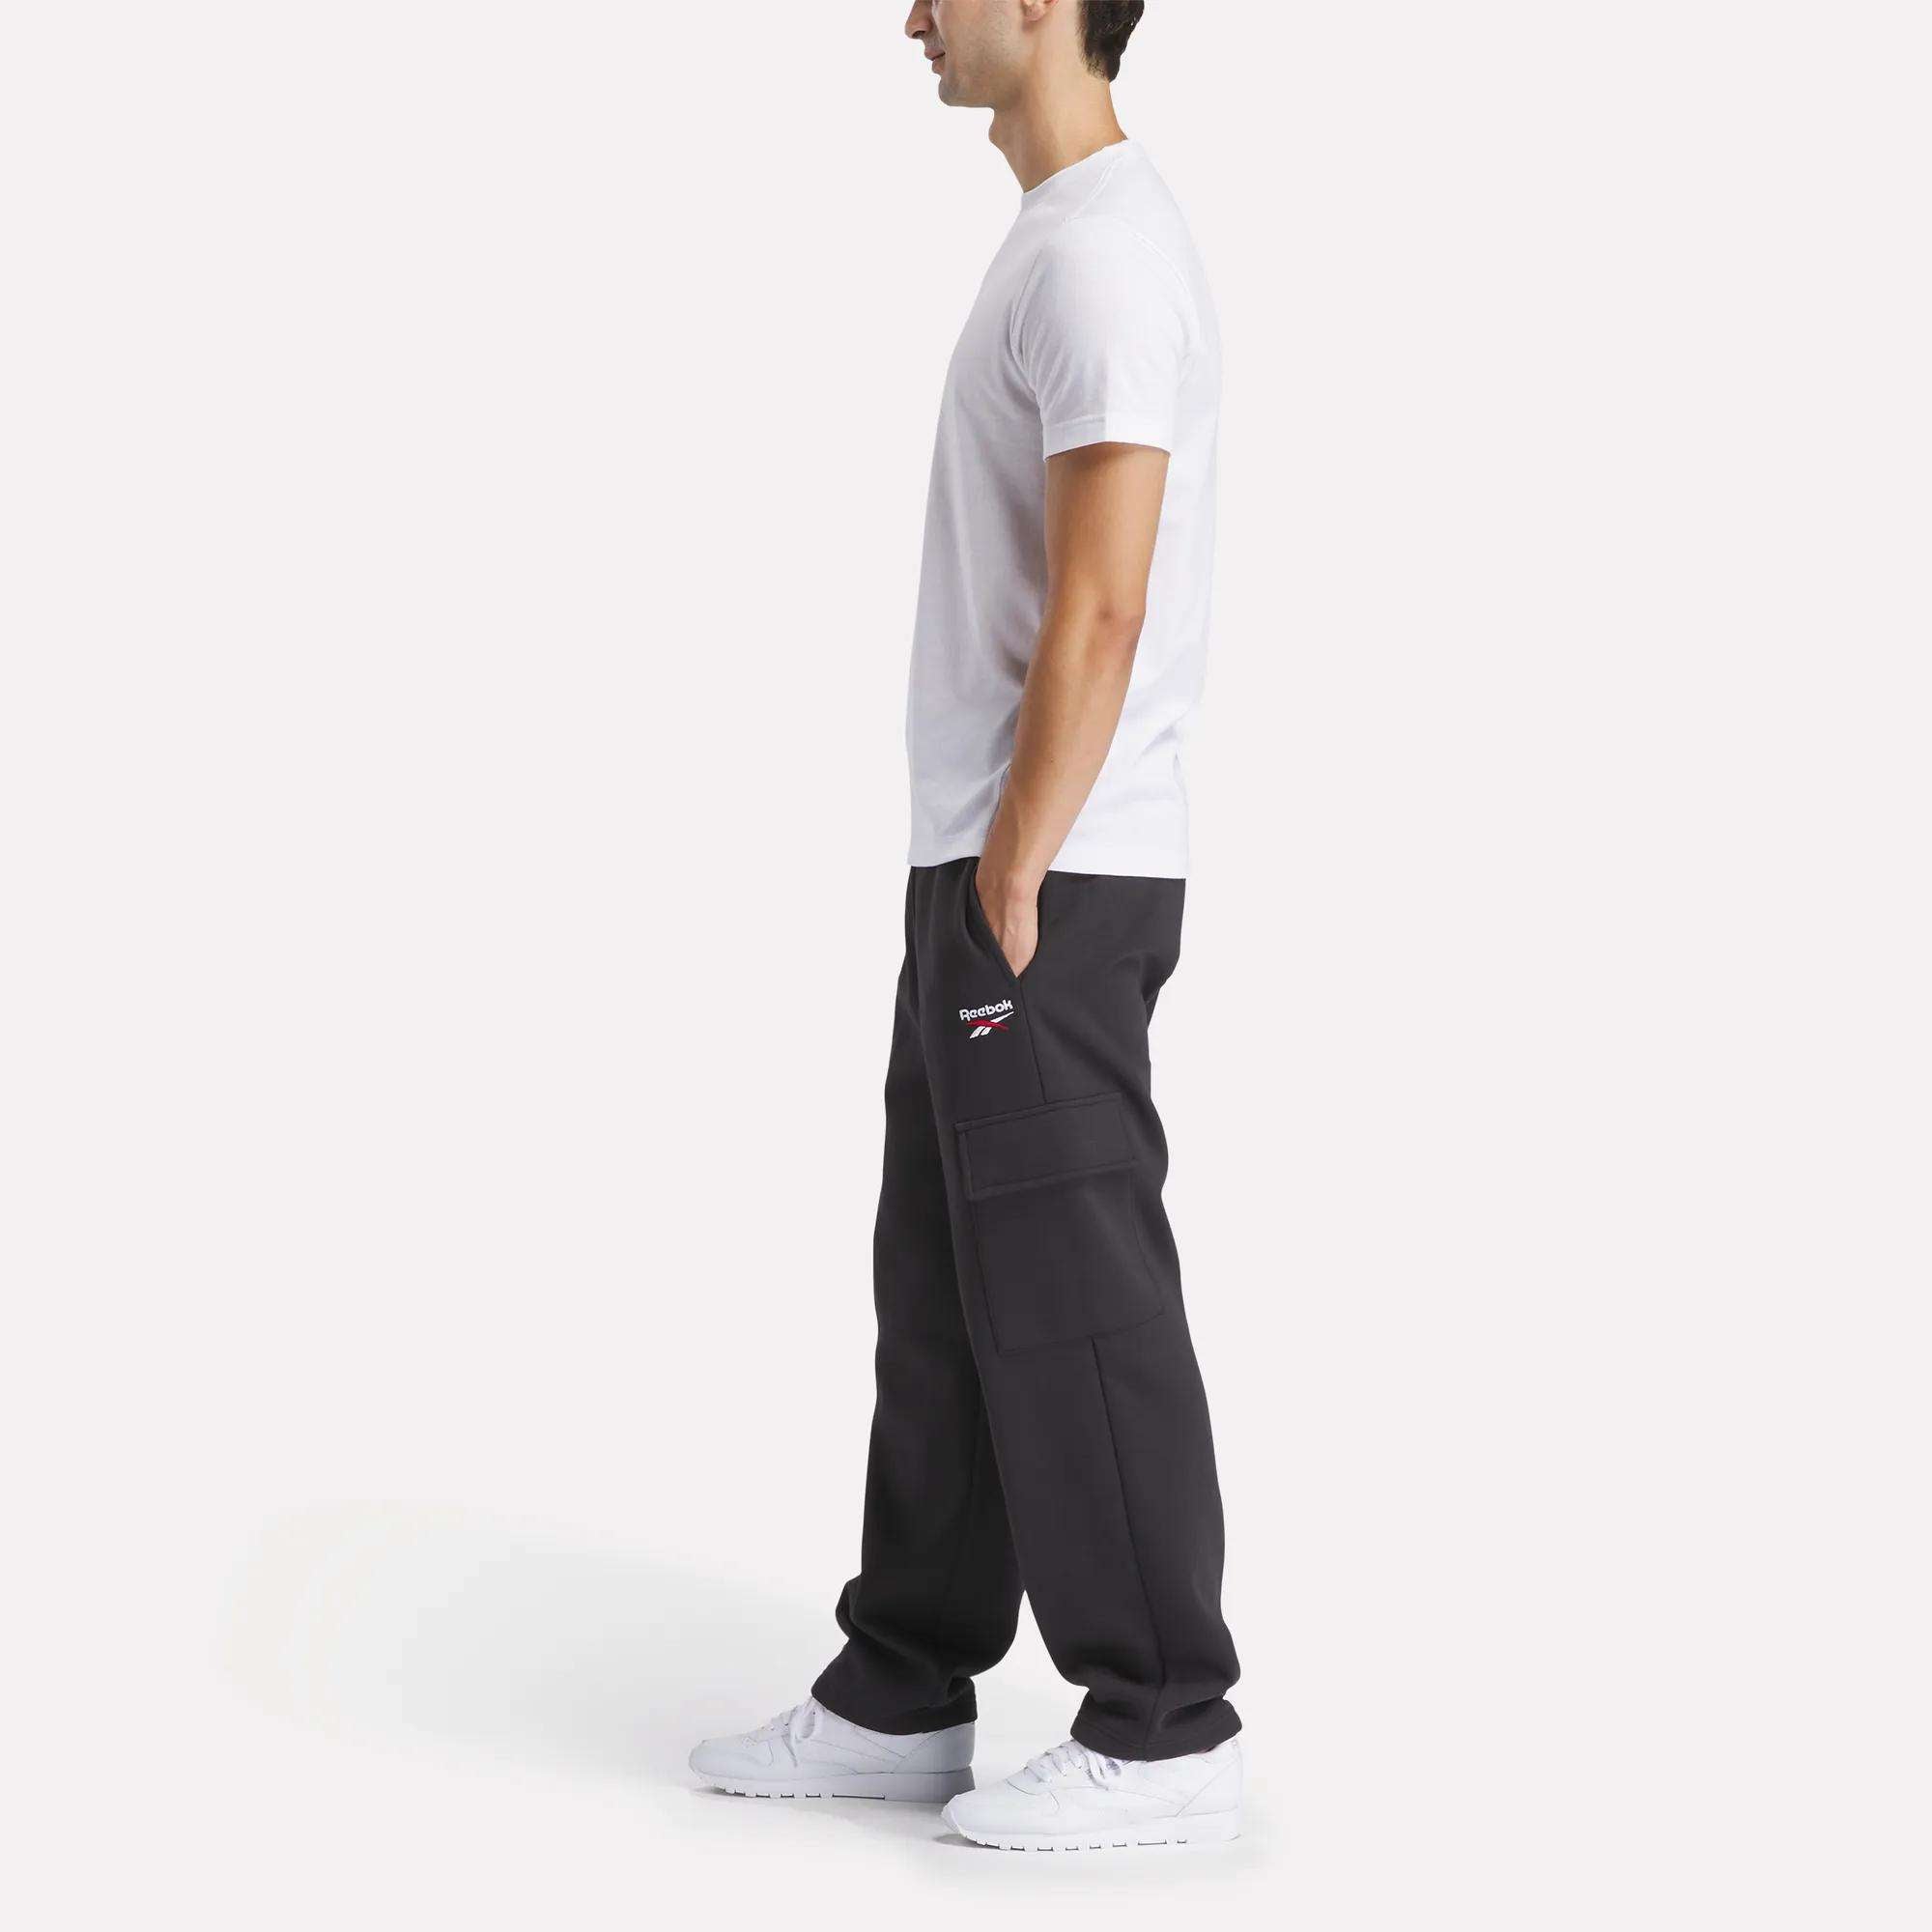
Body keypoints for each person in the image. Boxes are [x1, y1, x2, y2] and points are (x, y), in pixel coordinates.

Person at [690, 0, 1243, 1852]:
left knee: (1072, 1294)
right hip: (991, 857)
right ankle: (905, 1683)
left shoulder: (1105, 257)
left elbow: (1104, 601)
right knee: (942, 1288)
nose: (913, 15)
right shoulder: (1060, 240)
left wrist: (1016, 862)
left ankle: (1165, 1726)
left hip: (1052, 868)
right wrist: (977, 862)